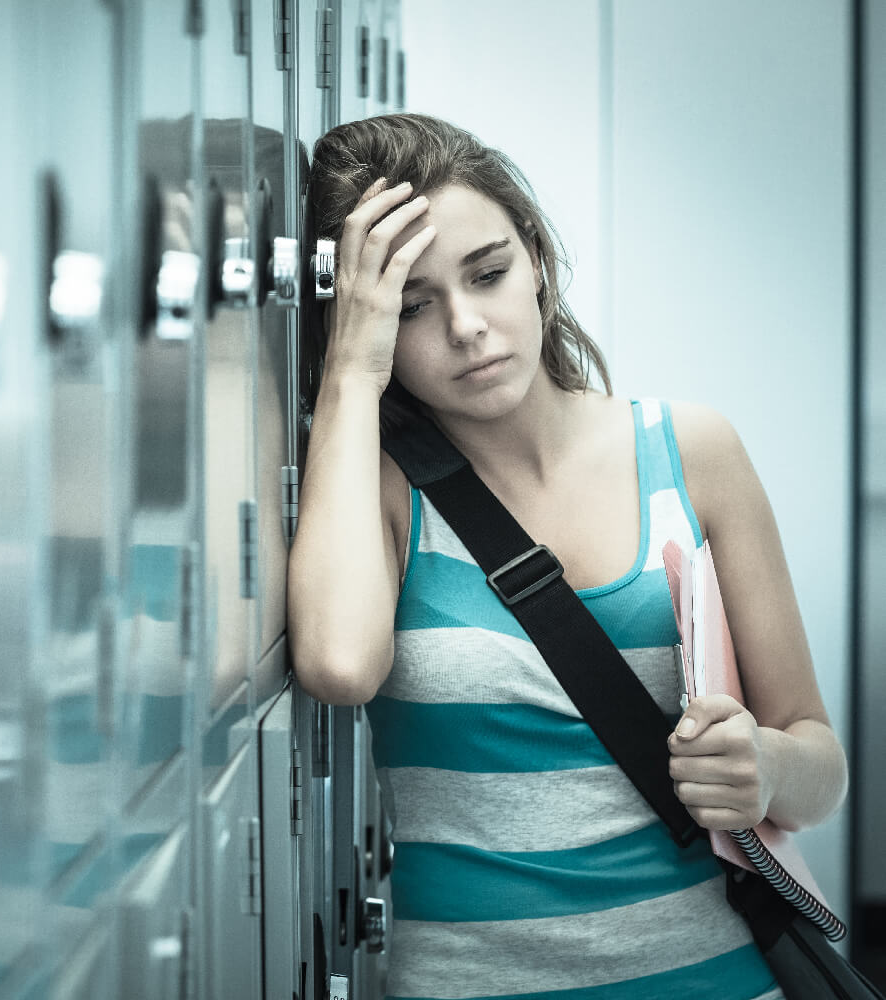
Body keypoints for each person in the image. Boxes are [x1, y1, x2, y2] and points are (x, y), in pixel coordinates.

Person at [287, 112, 848, 1000]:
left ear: (537, 263)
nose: (468, 327)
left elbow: (819, 765)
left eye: (489, 273)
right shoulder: (383, 491)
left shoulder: (690, 452)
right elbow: (339, 663)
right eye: (412, 305)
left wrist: (766, 767)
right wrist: (352, 371)